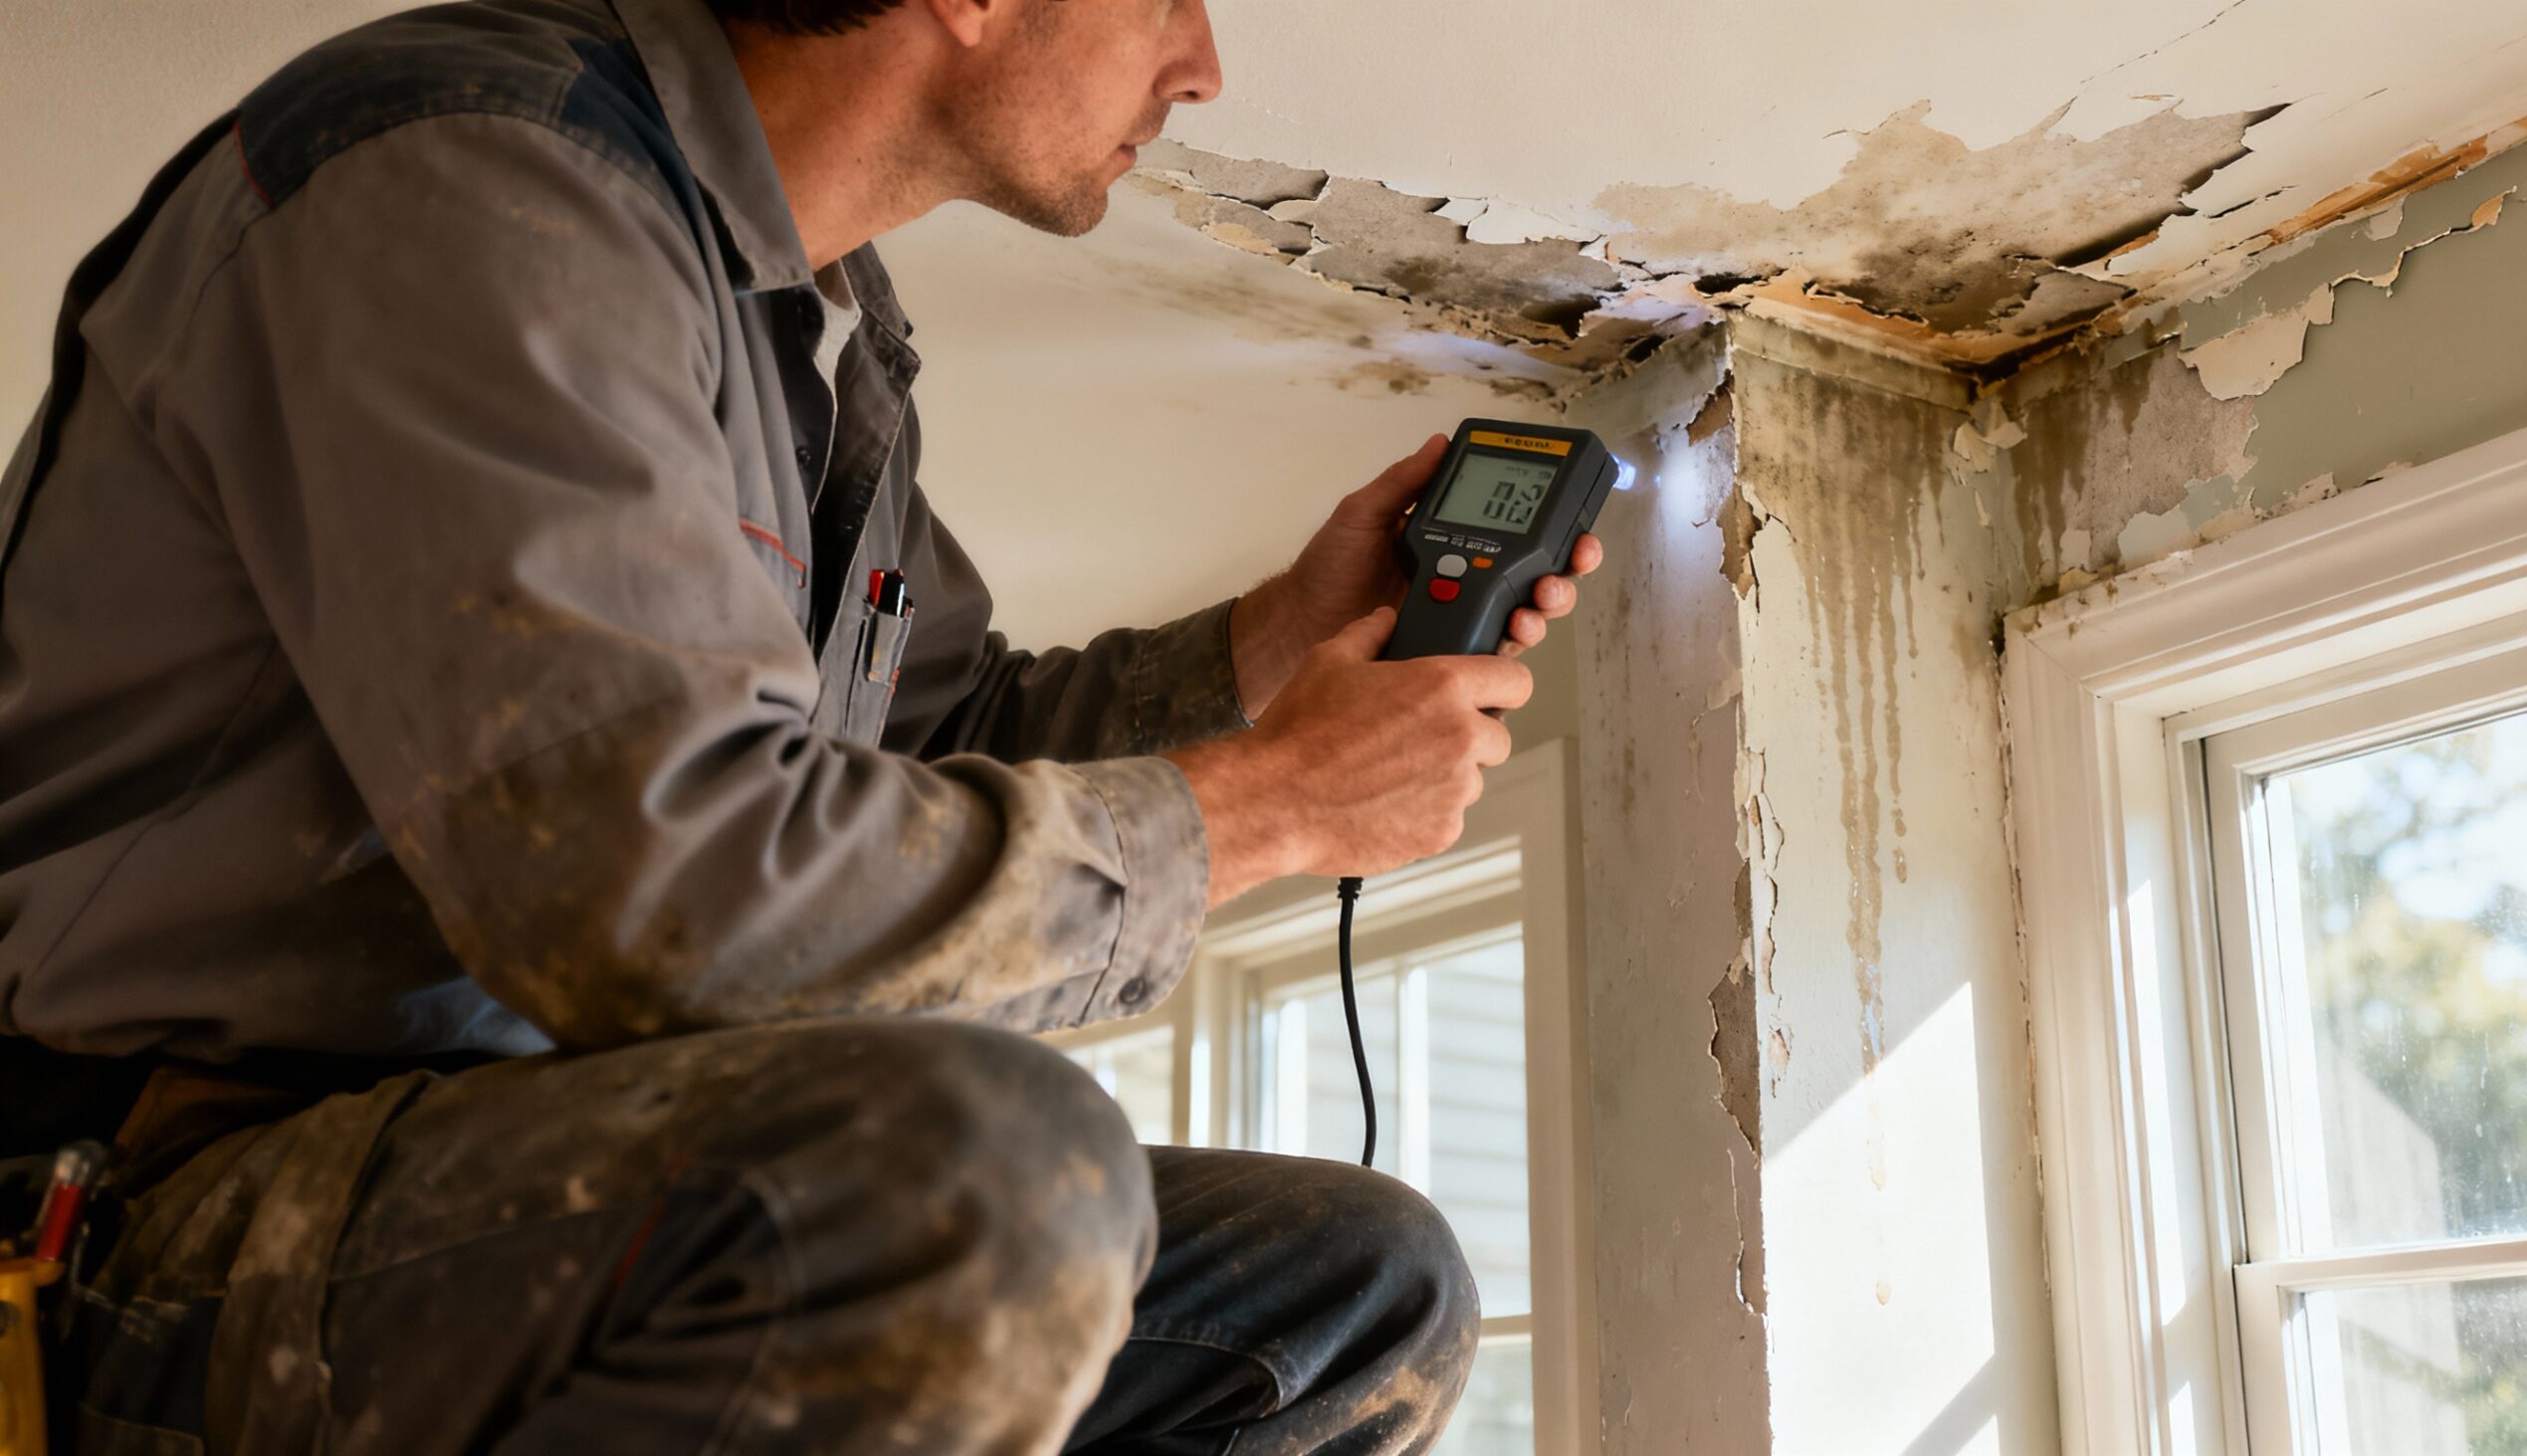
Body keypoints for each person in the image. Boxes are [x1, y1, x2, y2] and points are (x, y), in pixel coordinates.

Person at [0, 0, 1600, 1448]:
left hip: (521, 1184)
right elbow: (651, 896)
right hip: (148, 1220)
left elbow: (943, 737)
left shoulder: (820, 341)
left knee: (1349, 1292)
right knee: (974, 1178)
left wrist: (1267, 647)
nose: (1201, 62)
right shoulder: (466, 177)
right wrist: (1263, 811)